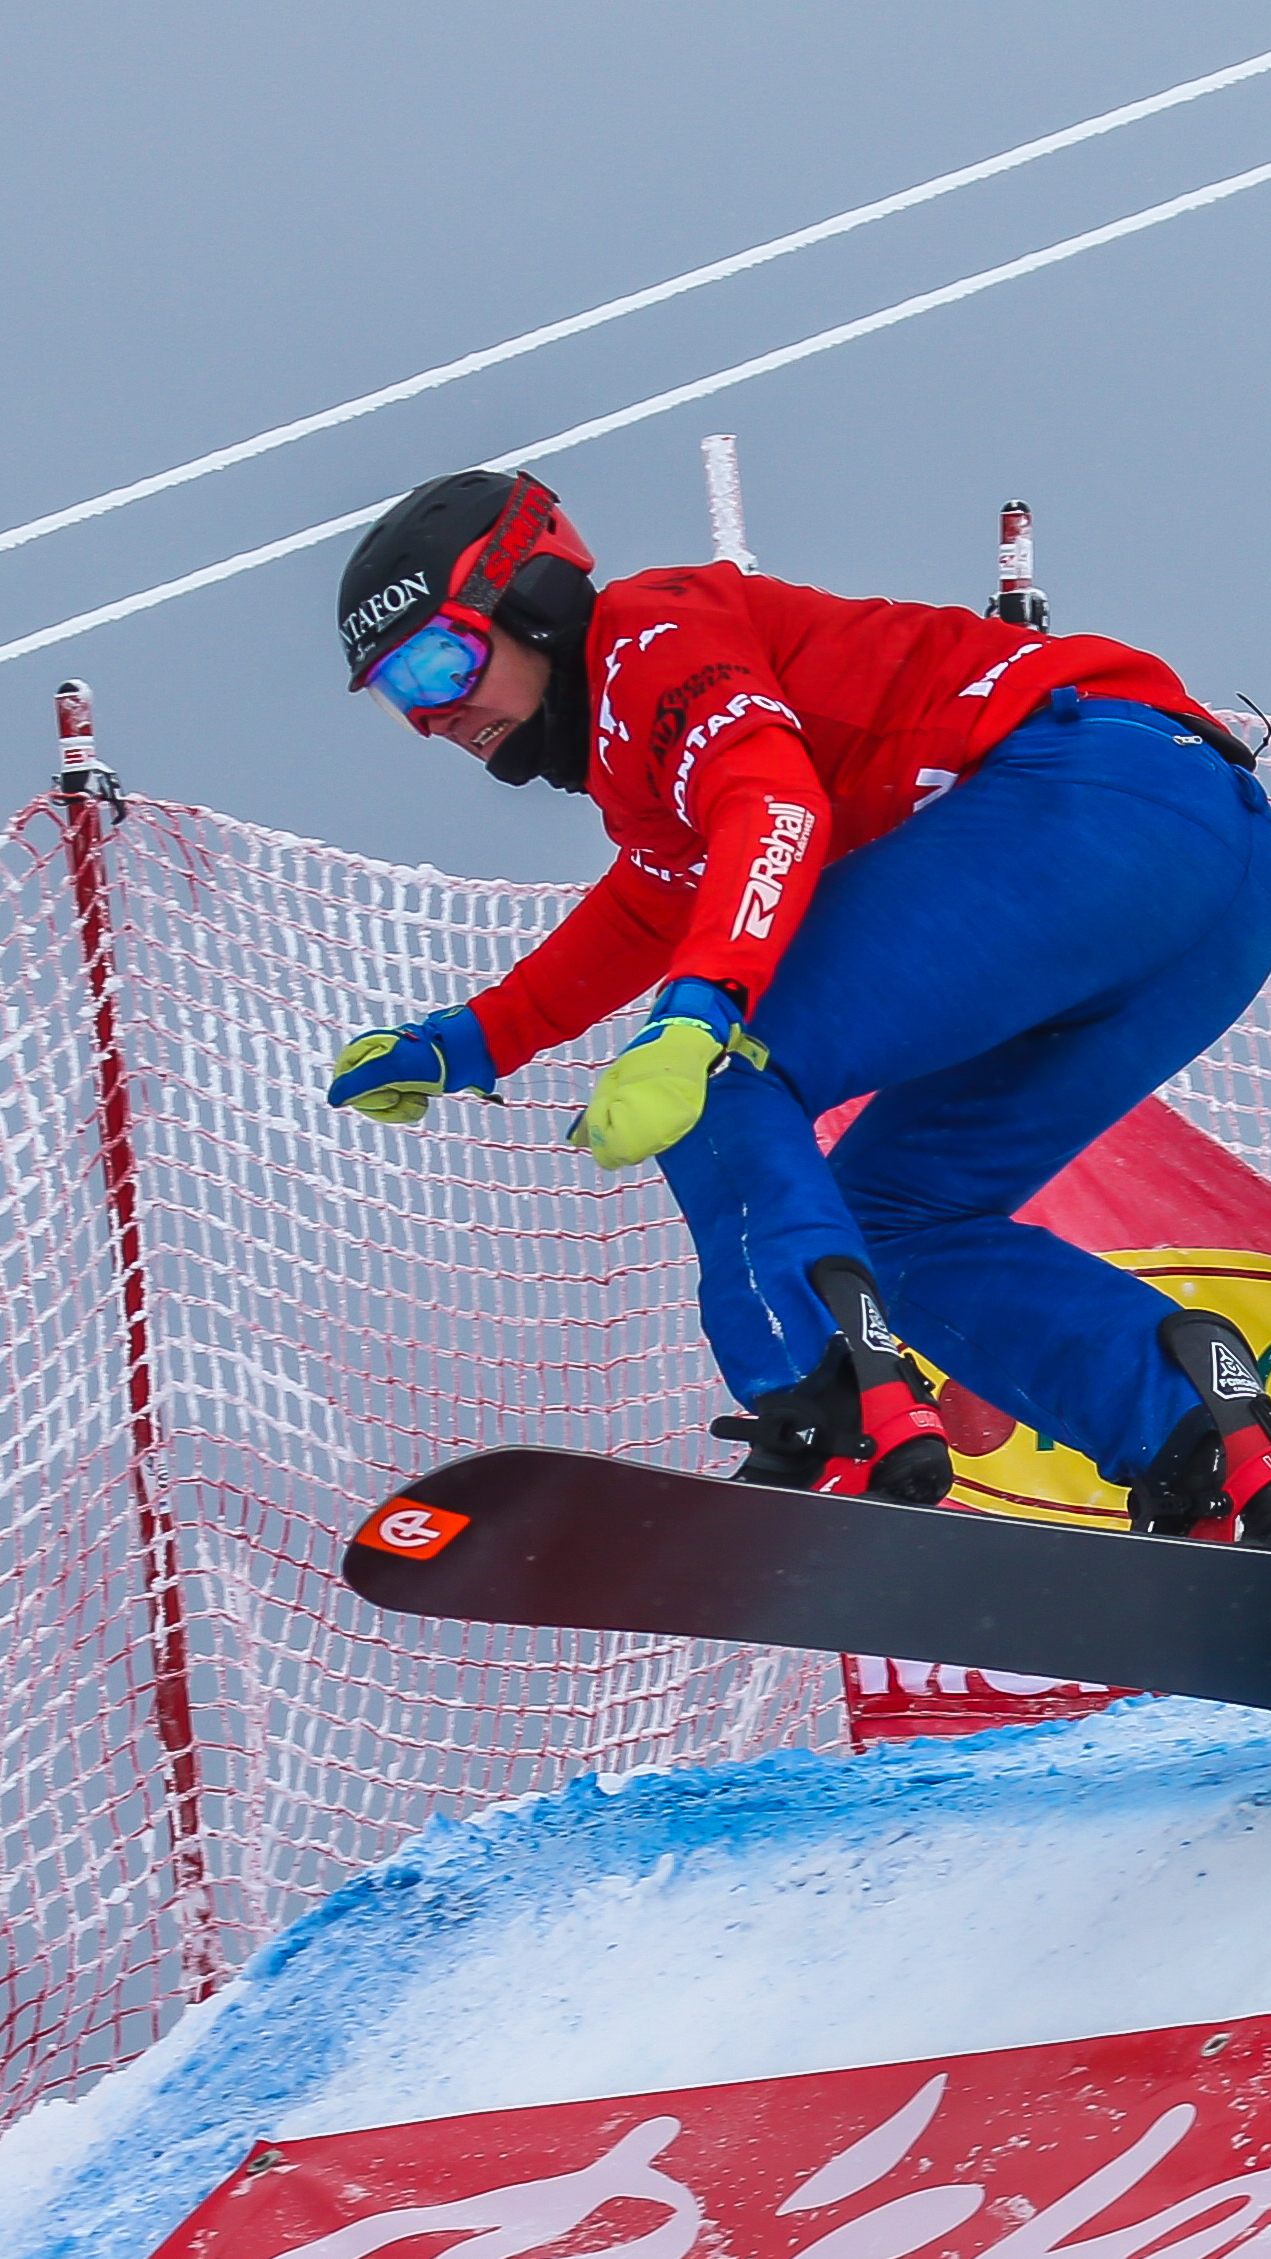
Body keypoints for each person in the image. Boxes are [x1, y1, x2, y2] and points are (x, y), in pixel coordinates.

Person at [328, 466, 1271, 1543]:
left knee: (719, 1077)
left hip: (1097, 803)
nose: (434, 718)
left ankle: (828, 1405)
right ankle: (1201, 1433)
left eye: (440, 662)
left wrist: (701, 1013)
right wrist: (469, 1042)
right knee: (891, 1216)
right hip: (1212, 882)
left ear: (534, 601)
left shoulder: (646, 636)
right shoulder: (636, 753)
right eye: (401, 697)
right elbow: (652, 902)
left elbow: (769, 803)